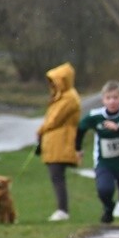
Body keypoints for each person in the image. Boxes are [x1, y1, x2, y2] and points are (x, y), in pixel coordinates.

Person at [76, 80, 119, 225]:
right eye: (108, 98)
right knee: (104, 189)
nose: (112, 101)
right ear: (103, 99)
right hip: (104, 163)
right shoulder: (95, 116)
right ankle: (108, 207)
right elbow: (79, 129)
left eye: (115, 98)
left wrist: (118, 129)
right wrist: (78, 149)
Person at [36, 62, 81, 222]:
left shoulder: (69, 99)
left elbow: (54, 120)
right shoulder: (60, 97)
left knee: (57, 176)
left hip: (61, 142)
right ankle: (61, 209)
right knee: (55, 176)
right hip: (54, 142)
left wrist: (40, 130)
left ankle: (63, 210)